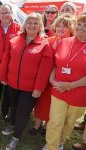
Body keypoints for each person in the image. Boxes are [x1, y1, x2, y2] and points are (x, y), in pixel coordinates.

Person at [0, 13, 53, 150]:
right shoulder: (15, 39)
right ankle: (12, 123)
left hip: (30, 87)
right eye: (29, 22)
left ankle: (15, 137)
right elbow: (6, 60)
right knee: (14, 107)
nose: (32, 25)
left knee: (23, 111)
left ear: (40, 26)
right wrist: (2, 76)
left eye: (35, 23)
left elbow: (44, 69)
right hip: (12, 83)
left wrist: (38, 88)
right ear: (25, 24)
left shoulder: (45, 44)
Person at [44, 13, 86, 150]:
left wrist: (70, 85)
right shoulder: (65, 42)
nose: (81, 28)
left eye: (85, 26)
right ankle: (51, 147)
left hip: (79, 93)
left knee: (69, 122)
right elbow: (56, 64)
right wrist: (51, 78)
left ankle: (60, 141)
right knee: (55, 122)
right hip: (58, 89)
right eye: (79, 25)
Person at [29, 14, 76, 136]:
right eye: (58, 26)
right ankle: (37, 125)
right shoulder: (49, 40)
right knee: (42, 103)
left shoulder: (73, 43)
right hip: (46, 79)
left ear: (71, 28)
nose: (60, 29)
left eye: (64, 26)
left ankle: (47, 126)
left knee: (54, 107)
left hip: (61, 81)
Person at [0, 4, 20, 122]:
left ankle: (5, 111)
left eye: (7, 12)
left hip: (11, 67)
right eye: (2, 13)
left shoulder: (19, 28)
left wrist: (8, 65)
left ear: (11, 13)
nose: (5, 15)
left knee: (8, 92)